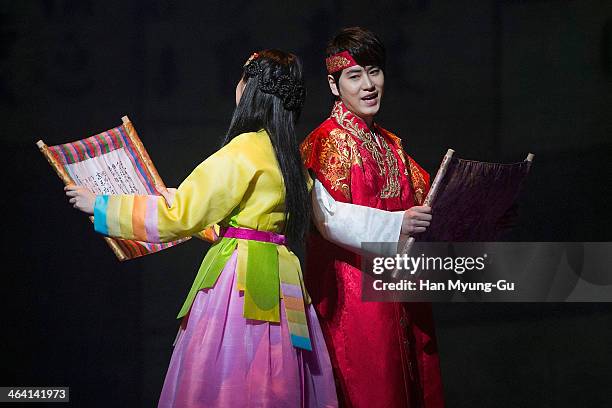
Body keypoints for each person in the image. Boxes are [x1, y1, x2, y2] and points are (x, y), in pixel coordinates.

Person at [65, 50, 338, 408]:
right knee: (279, 376)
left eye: (242, 79)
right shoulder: (290, 157)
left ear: (251, 89)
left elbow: (177, 216)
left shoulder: (242, 152)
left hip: (240, 282)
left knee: (229, 376)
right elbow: (245, 223)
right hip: (284, 280)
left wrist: (101, 206)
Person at [301, 27, 445, 407]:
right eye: (354, 75)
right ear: (334, 86)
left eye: (374, 71)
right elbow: (327, 218)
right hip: (352, 295)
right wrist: (398, 224)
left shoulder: (391, 145)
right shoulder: (323, 143)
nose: (368, 85)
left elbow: (430, 201)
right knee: (369, 387)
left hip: (398, 290)